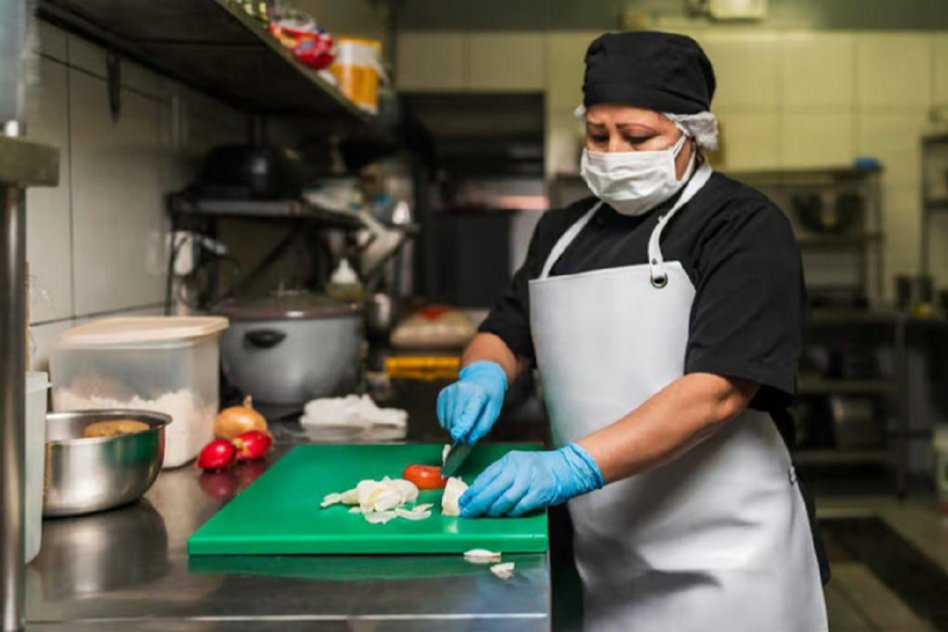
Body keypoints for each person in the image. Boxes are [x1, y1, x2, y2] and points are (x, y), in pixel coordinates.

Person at [436, 31, 828, 631]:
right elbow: (505, 331)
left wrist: (568, 468)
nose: (614, 152)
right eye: (598, 135)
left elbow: (719, 390)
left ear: (692, 133)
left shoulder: (743, 226)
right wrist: (482, 371)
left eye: (637, 137)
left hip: (729, 558)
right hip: (609, 552)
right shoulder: (560, 234)